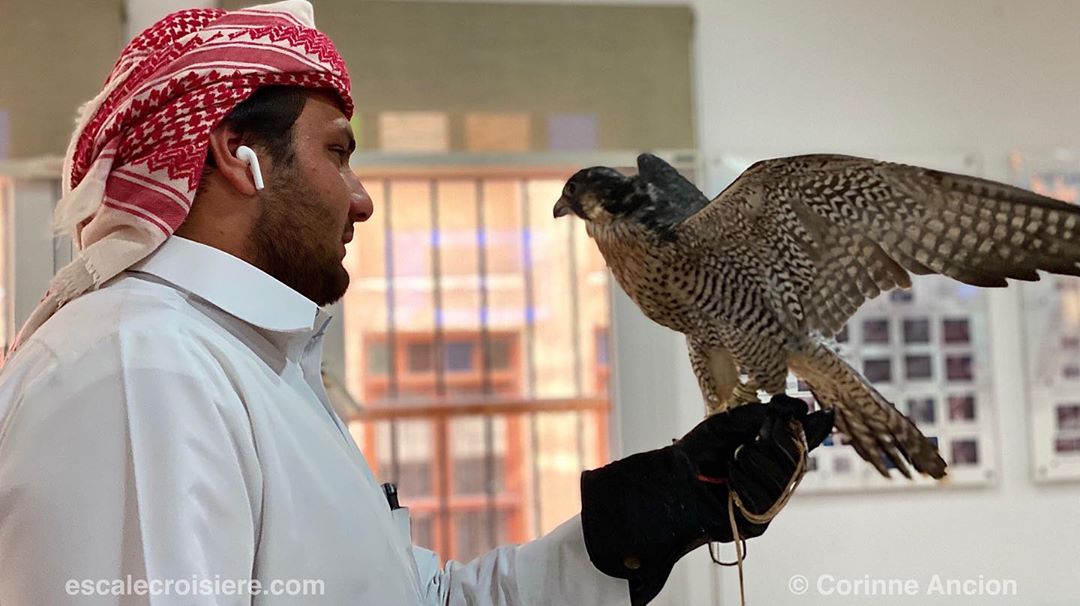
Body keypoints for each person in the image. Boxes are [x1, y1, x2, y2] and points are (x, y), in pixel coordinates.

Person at [0, 2, 832, 604]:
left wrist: (626, 534)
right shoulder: (143, 366)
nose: (361, 200)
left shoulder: (256, 369)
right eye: (337, 153)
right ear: (236, 156)